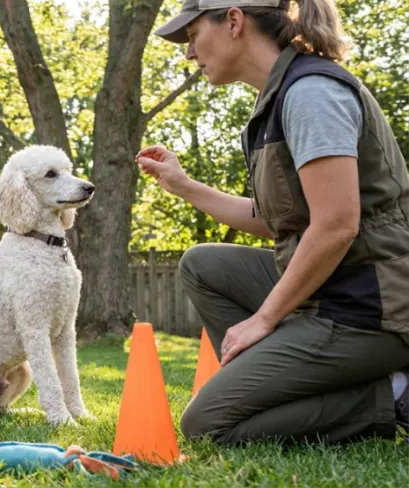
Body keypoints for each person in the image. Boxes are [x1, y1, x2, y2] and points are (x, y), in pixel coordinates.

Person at [137, 0, 409, 445]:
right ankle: (283, 385)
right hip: (329, 294)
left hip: (371, 308)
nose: (188, 54)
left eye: (191, 37)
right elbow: (279, 223)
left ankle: (392, 393)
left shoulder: (311, 94)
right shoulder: (278, 99)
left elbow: (337, 223)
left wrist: (265, 318)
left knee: (208, 424)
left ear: (233, 20)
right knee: (202, 264)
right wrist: (184, 186)